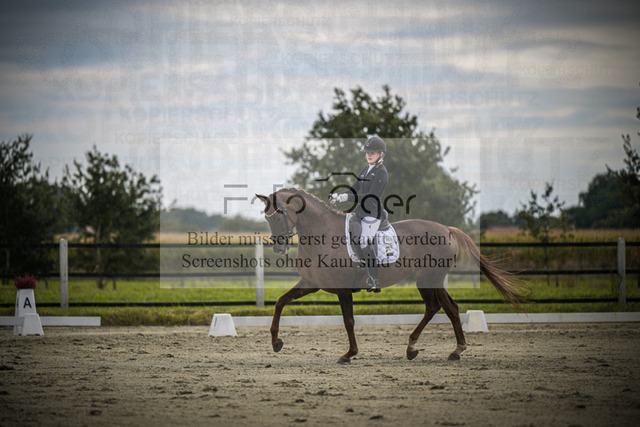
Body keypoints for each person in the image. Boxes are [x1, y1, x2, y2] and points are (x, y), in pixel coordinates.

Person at [330, 136, 388, 292]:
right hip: (360, 211)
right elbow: (353, 189)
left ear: (381, 154)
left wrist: (347, 198)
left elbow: (371, 197)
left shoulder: (381, 173)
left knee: (364, 242)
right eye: (367, 152)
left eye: (372, 153)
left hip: (372, 214)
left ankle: (374, 279)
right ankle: (357, 270)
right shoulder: (365, 170)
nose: (369, 155)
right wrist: (339, 195)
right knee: (347, 234)